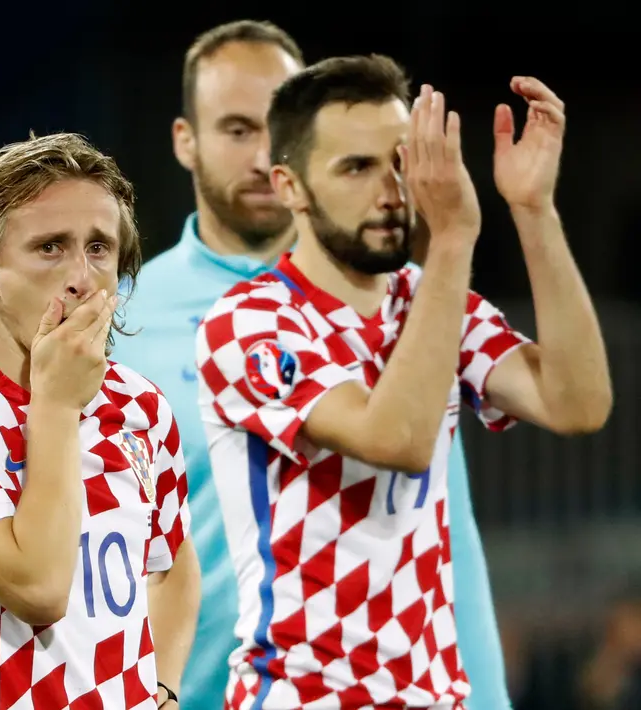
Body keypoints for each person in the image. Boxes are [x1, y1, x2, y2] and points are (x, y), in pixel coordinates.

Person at [114, 20, 517, 709]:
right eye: (237, 128)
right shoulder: (121, 323)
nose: (266, 151)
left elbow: (570, 402)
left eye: (281, 123)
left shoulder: (417, 292)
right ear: (185, 140)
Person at [196, 55, 611, 708]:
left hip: (432, 695)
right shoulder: (248, 323)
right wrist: (450, 240)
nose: (391, 190)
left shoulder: (433, 302)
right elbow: (397, 437)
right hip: (304, 696)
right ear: (288, 187)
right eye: (356, 168)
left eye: (399, 161)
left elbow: (576, 403)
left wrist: (532, 210)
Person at [0, 132, 201, 709]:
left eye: (99, 247)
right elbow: (38, 588)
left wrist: (163, 691)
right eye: (50, 247)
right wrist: (55, 405)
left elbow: (171, 562)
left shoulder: (139, 405)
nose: (82, 275)